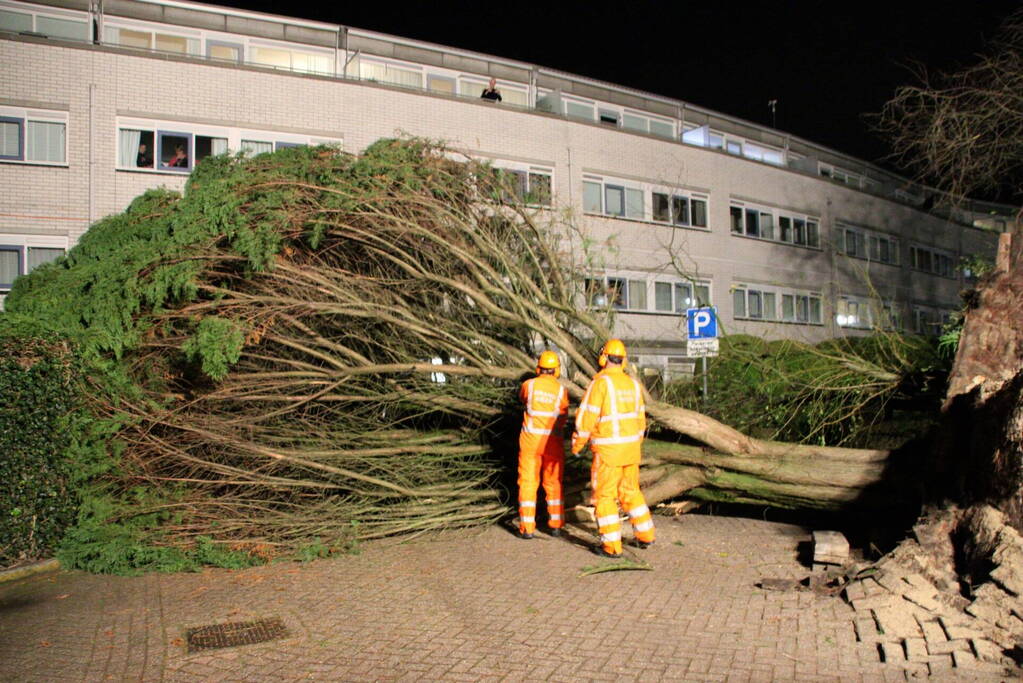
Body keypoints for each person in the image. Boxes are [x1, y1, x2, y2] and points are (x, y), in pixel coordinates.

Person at [571, 339, 655, 558]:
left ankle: (611, 546)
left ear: (603, 358)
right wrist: (634, 444)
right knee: (631, 491)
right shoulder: (633, 385)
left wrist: (577, 444)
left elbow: (586, 418)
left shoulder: (601, 384)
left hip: (609, 453)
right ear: (623, 360)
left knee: (604, 497)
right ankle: (646, 535)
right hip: (630, 451)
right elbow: (640, 420)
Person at [516, 350, 568, 539]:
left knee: (528, 484)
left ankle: (527, 528)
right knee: (553, 484)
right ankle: (555, 525)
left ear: (538, 369)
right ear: (556, 371)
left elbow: (522, 399)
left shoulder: (528, 385)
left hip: (530, 442)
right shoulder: (561, 390)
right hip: (552, 444)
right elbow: (563, 417)